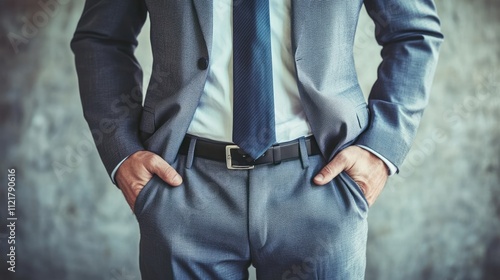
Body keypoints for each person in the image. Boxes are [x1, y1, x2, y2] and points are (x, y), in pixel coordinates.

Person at [71, 0, 442, 279]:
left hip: (322, 186)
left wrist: (380, 150)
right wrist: (123, 154)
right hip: (182, 190)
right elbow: (102, 38)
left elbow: (413, 31)